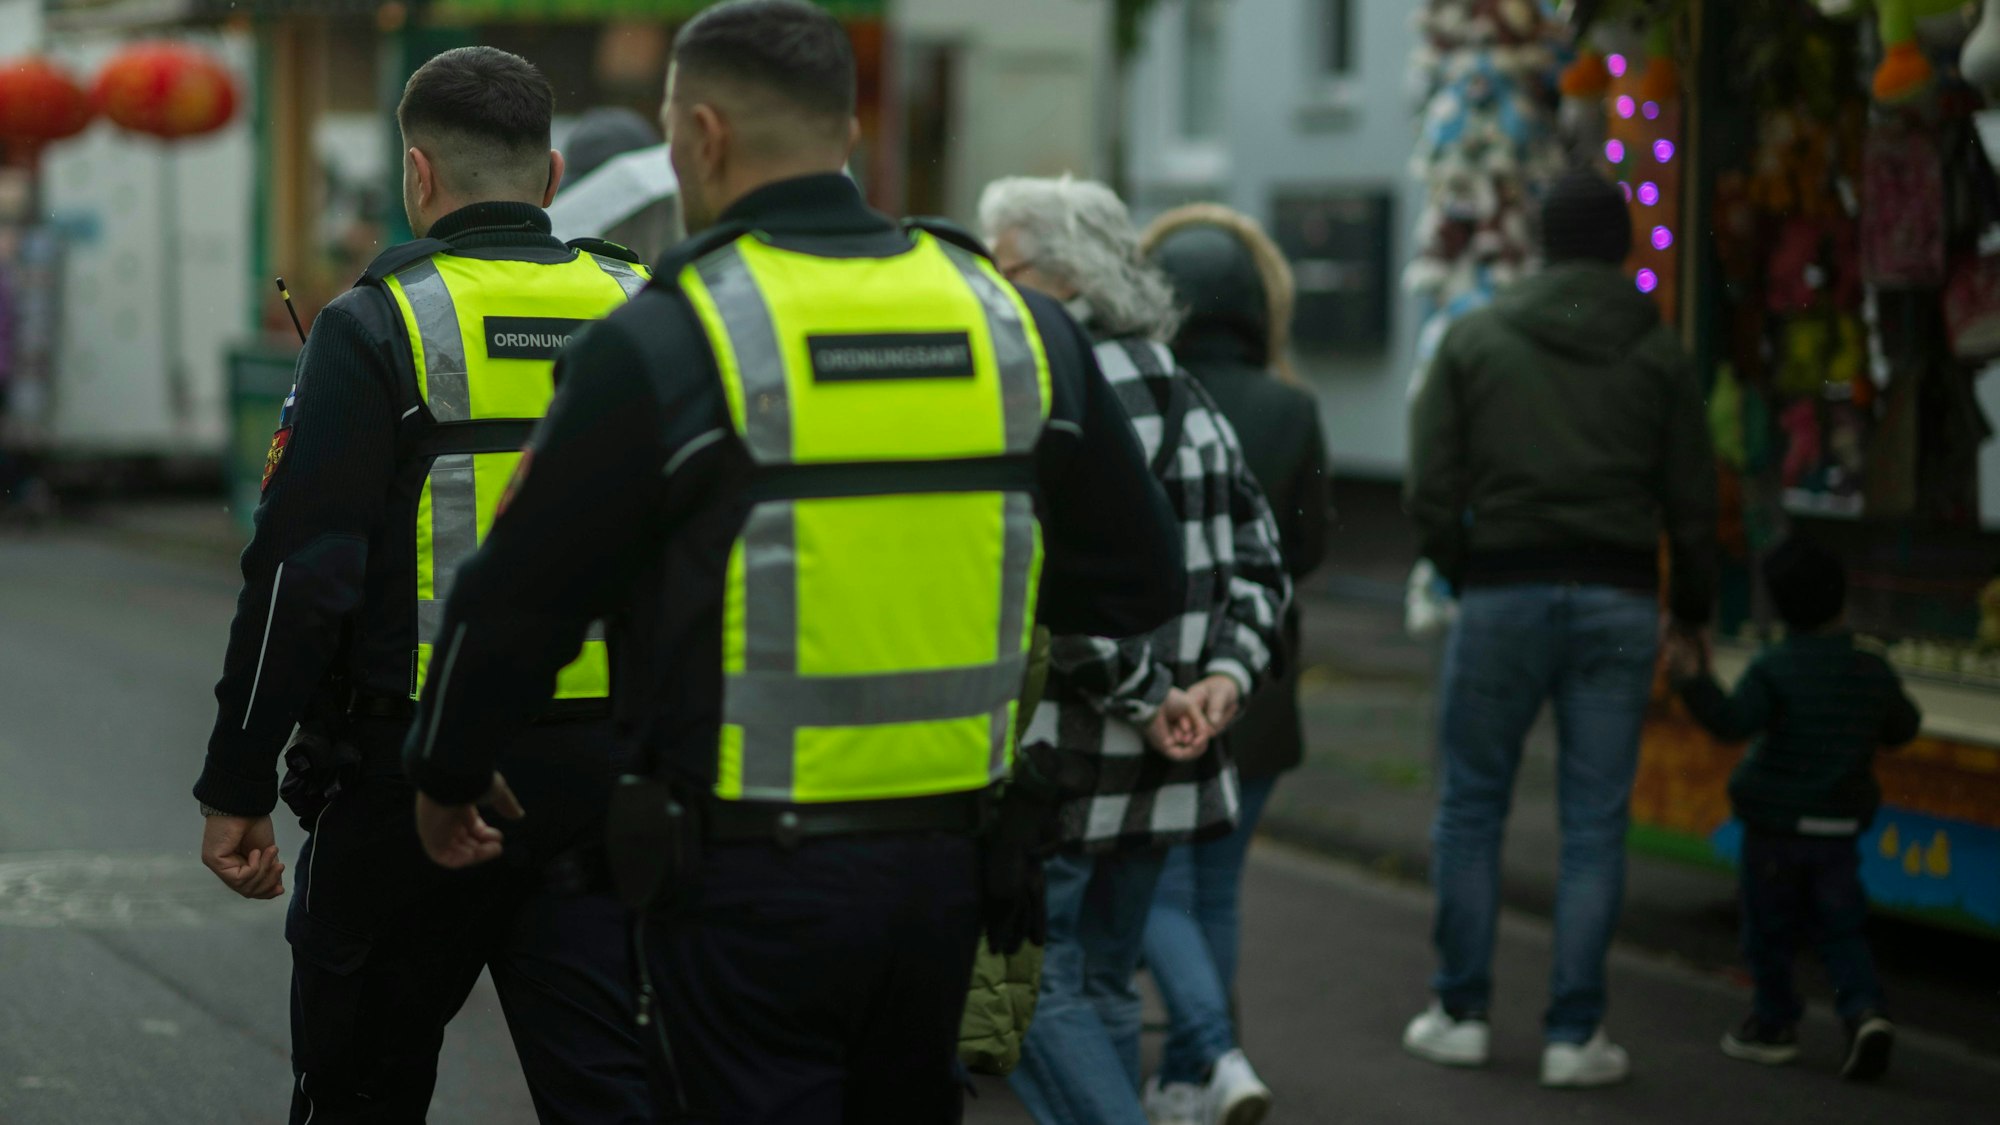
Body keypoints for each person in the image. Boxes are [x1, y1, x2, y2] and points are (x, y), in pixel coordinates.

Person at [399, 3, 1187, 1122]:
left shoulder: (671, 339)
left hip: (742, 880)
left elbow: (515, 603)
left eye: (671, 131)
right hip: (948, 873)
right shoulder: (1011, 323)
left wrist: (445, 770)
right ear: (848, 134)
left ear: (704, 136)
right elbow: (1137, 582)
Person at [191, 46, 653, 1123]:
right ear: (550, 176)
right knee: (615, 1095)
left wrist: (238, 783)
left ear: (416, 173)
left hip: (405, 780)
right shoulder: (645, 304)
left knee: (361, 1091)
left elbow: (300, 581)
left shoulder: (376, 325)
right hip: (607, 781)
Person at [980, 176, 1292, 1125]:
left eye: (1005, 265)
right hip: (1172, 761)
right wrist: (1222, 684)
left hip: (1068, 762)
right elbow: (1261, 560)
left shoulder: (1046, 384)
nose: (992, 285)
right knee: (1108, 981)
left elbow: (1033, 593)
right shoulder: (1184, 388)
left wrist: (1148, 691)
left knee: (1029, 992)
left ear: (1060, 273)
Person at [1403, 167, 1718, 1088]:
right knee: (1592, 822)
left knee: (1470, 804)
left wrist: (1470, 571)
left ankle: (1459, 1011)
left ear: (1541, 242)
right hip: (1618, 598)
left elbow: (1429, 490)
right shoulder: (1659, 353)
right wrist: (1691, 609)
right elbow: (1692, 503)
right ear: (1622, 245)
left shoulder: (1476, 337)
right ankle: (1574, 1035)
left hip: (1502, 593)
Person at [1133, 204, 1331, 1125]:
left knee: (1159, 888)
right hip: (1258, 691)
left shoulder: (1141, 389)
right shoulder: (1290, 406)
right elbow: (1311, 549)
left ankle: (1210, 1054)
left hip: (1160, 688)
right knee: (1217, 887)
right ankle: (1187, 1075)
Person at [1667, 538, 1916, 1082]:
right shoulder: (1870, 668)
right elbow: (1904, 728)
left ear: (1779, 608)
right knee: (1841, 928)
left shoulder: (1775, 667)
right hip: (1838, 831)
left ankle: (1774, 1025)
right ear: (1843, 599)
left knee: (1767, 929)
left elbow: (1733, 723)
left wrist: (1692, 680)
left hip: (1775, 830)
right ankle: (1864, 1011)